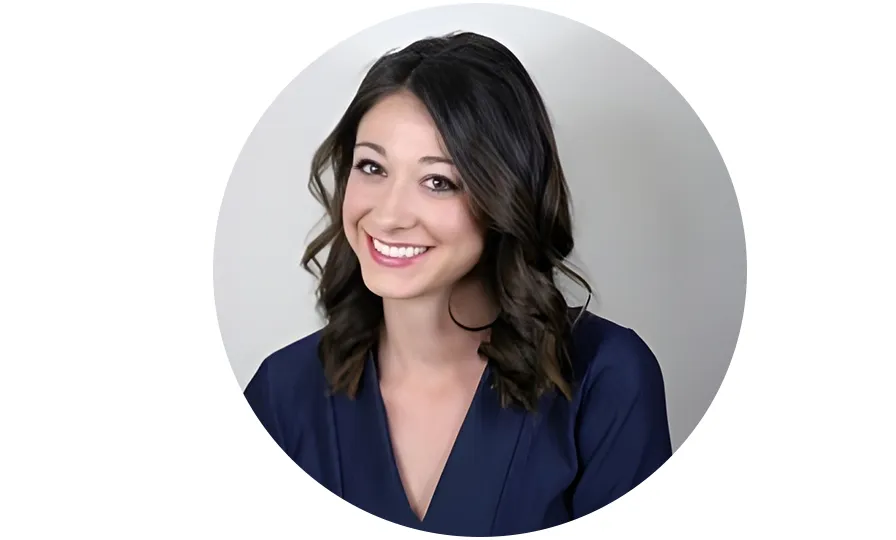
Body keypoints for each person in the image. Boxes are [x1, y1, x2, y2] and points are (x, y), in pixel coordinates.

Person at [243, 31, 673, 536]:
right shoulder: (282, 392)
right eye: (372, 167)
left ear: (505, 196)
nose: (389, 215)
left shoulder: (607, 380)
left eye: (438, 181)